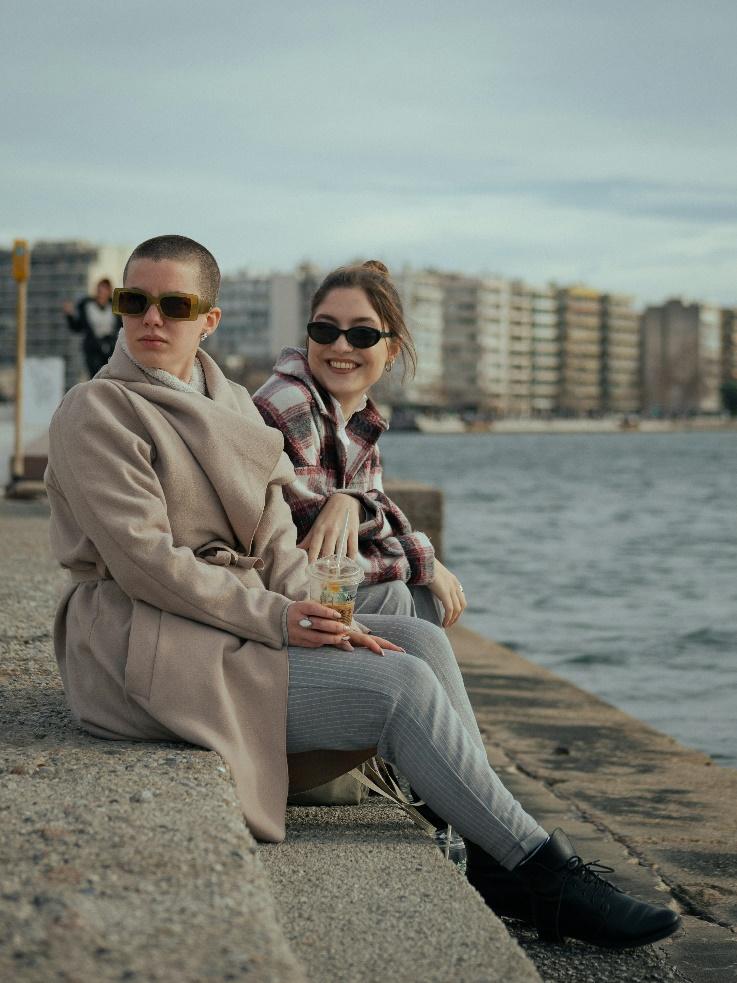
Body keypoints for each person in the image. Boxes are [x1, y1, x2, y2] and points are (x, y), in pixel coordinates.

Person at [44, 235, 680, 950]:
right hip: (145, 643)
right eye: (134, 301)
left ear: (209, 319)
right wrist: (282, 616)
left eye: (173, 304)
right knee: (398, 686)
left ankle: (498, 849)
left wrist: (309, 609)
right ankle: (546, 876)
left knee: (420, 635)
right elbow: (145, 564)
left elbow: (278, 534)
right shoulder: (96, 410)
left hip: (226, 621)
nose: (149, 319)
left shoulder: (229, 401)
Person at [254, 261, 464, 630]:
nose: (340, 345)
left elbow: (377, 526)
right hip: (265, 605)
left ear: (392, 350)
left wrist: (354, 502)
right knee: (396, 593)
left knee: (410, 591)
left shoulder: (360, 420)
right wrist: (424, 558)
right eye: (324, 330)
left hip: (297, 597)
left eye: (362, 335)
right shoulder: (290, 403)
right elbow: (321, 560)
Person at [64, 277, 121, 378]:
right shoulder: (87, 306)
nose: (102, 292)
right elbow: (77, 327)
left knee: (111, 376)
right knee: (95, 376)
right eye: (100, 289)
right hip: (93, 348)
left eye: (105, 289)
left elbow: (121, 326)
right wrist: (70, 315)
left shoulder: (115, 307)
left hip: (111, 347)